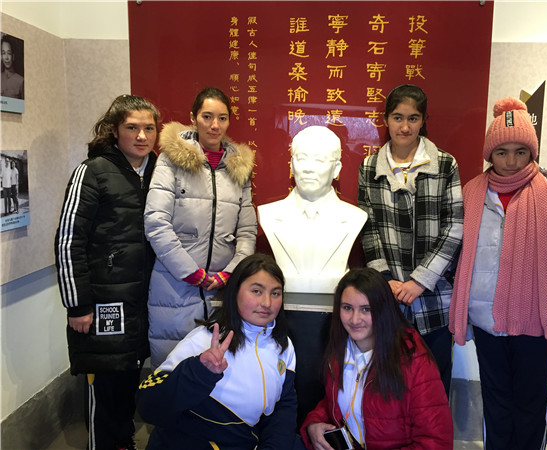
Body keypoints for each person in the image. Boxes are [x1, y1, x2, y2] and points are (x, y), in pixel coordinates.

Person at [449, 97, 547, 450]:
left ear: (532, 153)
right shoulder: (472, 196)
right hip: (487, 324)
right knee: (496, 407)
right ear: (490, 154)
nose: (511, 161)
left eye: (520, 152)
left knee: (530, 410)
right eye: (502, 152)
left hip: (538, 328)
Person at [54, 94, 159, 450]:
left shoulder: (159, 173)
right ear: (114, 130)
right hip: (101, 304)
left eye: (149, 128)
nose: (142, 136)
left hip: (141, 303)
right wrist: (78, 305)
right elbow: (69, 240)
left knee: (129, 378)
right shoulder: (93, 171)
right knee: (104, 387)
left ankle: (122, 442)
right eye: (132, 127)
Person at [358, 84, 463, 398]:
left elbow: (454, 227)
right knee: (391, 388)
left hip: (434, 298)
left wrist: (420, 281)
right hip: (389, 298)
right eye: (397, 117)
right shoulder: (369, 167)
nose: (405, 127)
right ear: (386, 120)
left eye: (413, 118)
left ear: (423, 121)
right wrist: (386, 280)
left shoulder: (445, 164)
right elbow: (368, 227)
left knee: (434, 388)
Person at [136, 253, 302, 449]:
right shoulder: (204, 339)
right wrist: (198, 372)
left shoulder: (284, 346)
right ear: (235, 292)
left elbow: (283, 408)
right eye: (257, 291)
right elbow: (148, 406)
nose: (267, 303)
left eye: (275, 293)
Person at [144, 86, 256, 369]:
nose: (214, 125)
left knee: (218, 369)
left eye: (222, 118)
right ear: (193, 118)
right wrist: (190, 273)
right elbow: (156, 222)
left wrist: (230, 273)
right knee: (172, 366)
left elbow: (246, 232)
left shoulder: (239, 169)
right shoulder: (171, 160)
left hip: (221, 288)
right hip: (174, 285)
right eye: (207, 116)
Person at [300, 268, 453, 449]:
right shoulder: (338, 351)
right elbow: (334, 404)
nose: (355, 320)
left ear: (383, 310)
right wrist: (314, 423)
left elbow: (437, 442)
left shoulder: (414, 360)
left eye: (366, 309)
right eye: (347, 308)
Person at [258, 125, 367, 294]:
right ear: (292, 165)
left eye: (319, 160)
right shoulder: (269, 214)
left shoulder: (354, 217)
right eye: (301, 159)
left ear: (336, 169)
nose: (308, 169)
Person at [1, 35, 24, 99]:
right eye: (3, 53)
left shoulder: (21, 81)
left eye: (9, 53)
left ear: (13, 56)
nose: (6, 58)